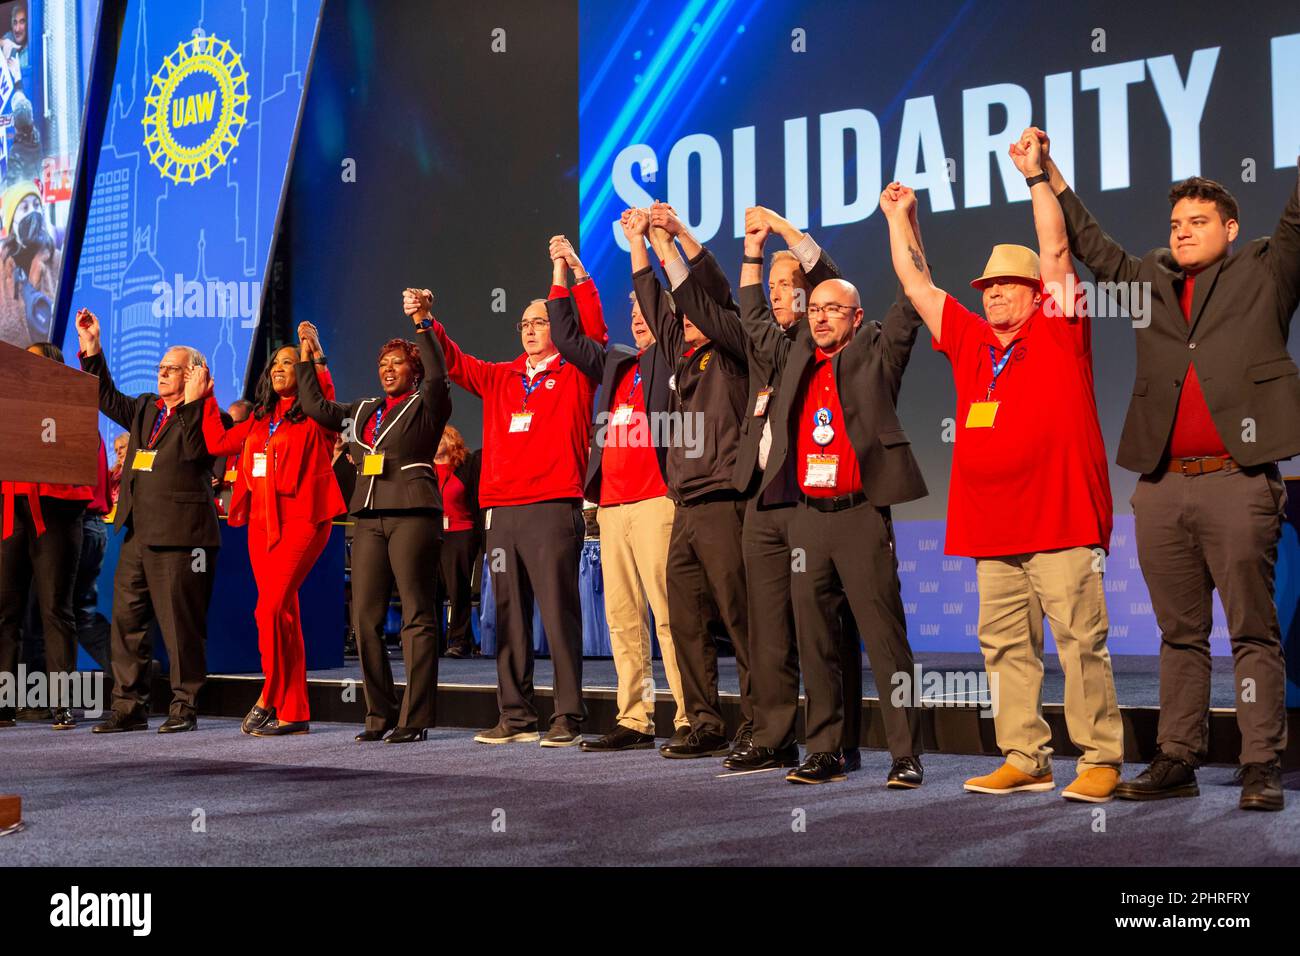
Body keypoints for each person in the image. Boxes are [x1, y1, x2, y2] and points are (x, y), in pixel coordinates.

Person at [1031, 128, 1300, 811]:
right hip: (1162, 486)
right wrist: (1048, 174)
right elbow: (1092, 246)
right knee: (1178, 635)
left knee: (1252, 632)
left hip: (1238, 481)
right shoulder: (1149, 278)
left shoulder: (1267, 269)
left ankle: (1260, 762)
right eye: (1176, 222)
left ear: (1231, 228)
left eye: (1198, 221)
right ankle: (1177, 756)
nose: (1182, 232)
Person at [884, 162, 1123, 802]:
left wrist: (1037, 177)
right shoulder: (969, 340)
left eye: (1007, 286)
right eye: (988, 287)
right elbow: (918, 283)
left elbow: (1054, 248)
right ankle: (1026, 755)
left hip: (1062, 518)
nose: (992, 295)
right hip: (992, 526)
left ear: (1036, 293)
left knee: (1080, 643)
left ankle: (1099, 757)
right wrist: (898, 218)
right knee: (1004, 647)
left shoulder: (1060, 327)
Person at [659, 201, 867, 773]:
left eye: (786, 285)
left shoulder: (820, 339)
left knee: (826, 628)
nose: (778, 294)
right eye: (772, 286)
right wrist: (710, 247)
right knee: (769, 629)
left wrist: (780, 231)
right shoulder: (757, 343)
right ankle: (774, 735)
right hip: (760, 498)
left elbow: (828, 276)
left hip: (816, 498)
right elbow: (702, 300)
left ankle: (837, 740)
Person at [737, 214, 928, 787]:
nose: (819, 317)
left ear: (857, 317)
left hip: (861, 516)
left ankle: (905, 754)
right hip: (808, 522)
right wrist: (751, 251)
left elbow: (915, 290)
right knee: (815, 642)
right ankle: (825, 751)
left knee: (886, 641)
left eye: (833, 309)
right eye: (813, 308)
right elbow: (751, 317)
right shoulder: (795, 350)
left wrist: (904, 222)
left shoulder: (878, 349)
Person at [425, 240, 607, 747]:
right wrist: (427, 323)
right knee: (507, 615)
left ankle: (569, 715)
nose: (530, 329)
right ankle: (517, 715)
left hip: (552, 507)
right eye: (524, 324)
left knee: (558, 614)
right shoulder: (502, 377)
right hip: (502, 513)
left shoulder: (574, 372)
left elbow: (592, 331)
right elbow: (456, 362)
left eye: (540, 321)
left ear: (557, 325)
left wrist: (569, 271)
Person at [544, 241, 689, 752]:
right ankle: (635, 717)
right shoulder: (615, 366)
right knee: (623, 618)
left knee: (670, 613)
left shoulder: (675, 359)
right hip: (612, 507)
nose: (638, 320)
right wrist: (565, 270)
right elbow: (565, 335)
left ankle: (692, 715)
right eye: (632, 313)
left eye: (646, 311)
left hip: (656, 503)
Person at [624, 208, 752, 760]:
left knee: (741, 617)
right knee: (684, 620)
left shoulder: (733, 345)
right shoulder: (681, 355)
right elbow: (656, 299)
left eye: (691, 310)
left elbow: (700, 292)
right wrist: (639, 242)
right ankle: (704, 720)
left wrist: (671, 238)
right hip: (686, 505)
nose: (683, 318)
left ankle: (759, 720)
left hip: (725, 499)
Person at [297, 308, 451, 744]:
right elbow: (315, 407)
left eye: (397, 363)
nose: (387, 369)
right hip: (366, 515)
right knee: (364, 619)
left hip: (412, 513)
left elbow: (439, 377)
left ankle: (414, 717)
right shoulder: (364, 409)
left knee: (417, 616)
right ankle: (378, 713)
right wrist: (312, 357)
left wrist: (423, 326)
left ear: (414, 370)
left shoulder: (428, 402)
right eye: (382, 364)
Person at [186, 327, 346, 736]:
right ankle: (295, 712)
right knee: (284, 615)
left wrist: (315, 356)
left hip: (303, 519)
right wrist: (205, 397)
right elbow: (216, 441)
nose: (279, 369)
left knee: (269, 609)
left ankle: (269, 694)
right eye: (275, 363)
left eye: (289, 363)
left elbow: (324, 396)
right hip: (262, 523)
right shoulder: (259, 418)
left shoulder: (315, 416)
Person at [74, 309, 219, 734]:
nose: (162, 375)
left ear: (193, 375)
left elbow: (198, 452)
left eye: (172, 370)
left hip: (182, 535)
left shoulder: (208, 415)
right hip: (139, 531)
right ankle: (129, 706)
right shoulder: (145, 409)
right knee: (127, 621)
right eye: (160, 368)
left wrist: (194, 401)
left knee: (180, 627)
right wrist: (92, 349)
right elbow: (106, 397)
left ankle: (184, 706)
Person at [0, 343, 100, 729]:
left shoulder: (73, 409)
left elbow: (86, 464)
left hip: (56, 514)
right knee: (6, 611)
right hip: (11, 511)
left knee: (55, 609)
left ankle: (61, 703)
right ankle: (5, 702)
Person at [433, 425, 481, 659]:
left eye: (441, 437)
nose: (436, 441)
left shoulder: (467, 465)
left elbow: (476, 500)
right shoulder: (425, 468)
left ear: (452, 440)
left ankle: (460, 641)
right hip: (432, 535)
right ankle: (433, 641)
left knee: (457, 589)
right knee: (431, 590)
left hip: (461, 532)